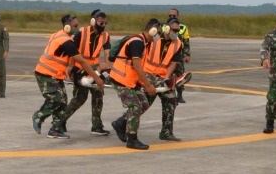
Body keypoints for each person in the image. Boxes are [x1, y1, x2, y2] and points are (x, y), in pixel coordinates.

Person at [32, 14, 104, 140]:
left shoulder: (58, 35)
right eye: (75, 26)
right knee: (56, 99)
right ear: (67, 26)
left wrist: (67, 69)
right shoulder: (66, 41)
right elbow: (81, 61)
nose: (78, 28)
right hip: (45, 73)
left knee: (63, 101)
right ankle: (39, 116)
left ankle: (55, 129)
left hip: (55, 74)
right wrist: (97, 78)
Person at [107, 18, 161, 150]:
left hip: (130, 80)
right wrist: (148, 86)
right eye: (158, 33)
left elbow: (140, 68)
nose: (158, 36)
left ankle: (120, 123)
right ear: (152, 30)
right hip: (121, 79)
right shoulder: (137, 42)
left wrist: (147, 82)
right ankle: (132, 138)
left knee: (144, 104)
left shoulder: (143, 43)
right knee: (135, 107)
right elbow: (137, 66)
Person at [66, 9, 111, 135]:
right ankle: (60, 121)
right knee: (79, 98)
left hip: (95, 68)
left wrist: (107, 65)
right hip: (80, 67)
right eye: (101, 23)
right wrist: (69, 68)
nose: (103, 25)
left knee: (98, 96)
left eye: (105, 23)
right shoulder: (81, 33)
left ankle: (96, 126)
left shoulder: (105, 36)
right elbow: (72, 51)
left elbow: (107, 52)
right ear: (93, 21)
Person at [144, 19, 186, 141]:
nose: (176, 33)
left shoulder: (177, 43)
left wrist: (167, 77)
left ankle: (166, 132)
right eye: (174, 30)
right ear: (166, 28)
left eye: (178, 30)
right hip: (148, 75)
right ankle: (123, 123)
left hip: (162, 77)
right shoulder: (154, 38)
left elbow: (173, 63)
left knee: (171, 99)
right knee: (144, 103)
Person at [167, 8, 192, 103]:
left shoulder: (183, 28)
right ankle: (170, 95)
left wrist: (187, 54)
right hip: (168, 56)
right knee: (168, 75)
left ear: (178, 16)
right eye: (170, 16)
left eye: (174, 15)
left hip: (179, 55)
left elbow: (186, 42)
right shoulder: (164, 27)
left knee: (180, 75)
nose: (172, 17)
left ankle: (180, 95)